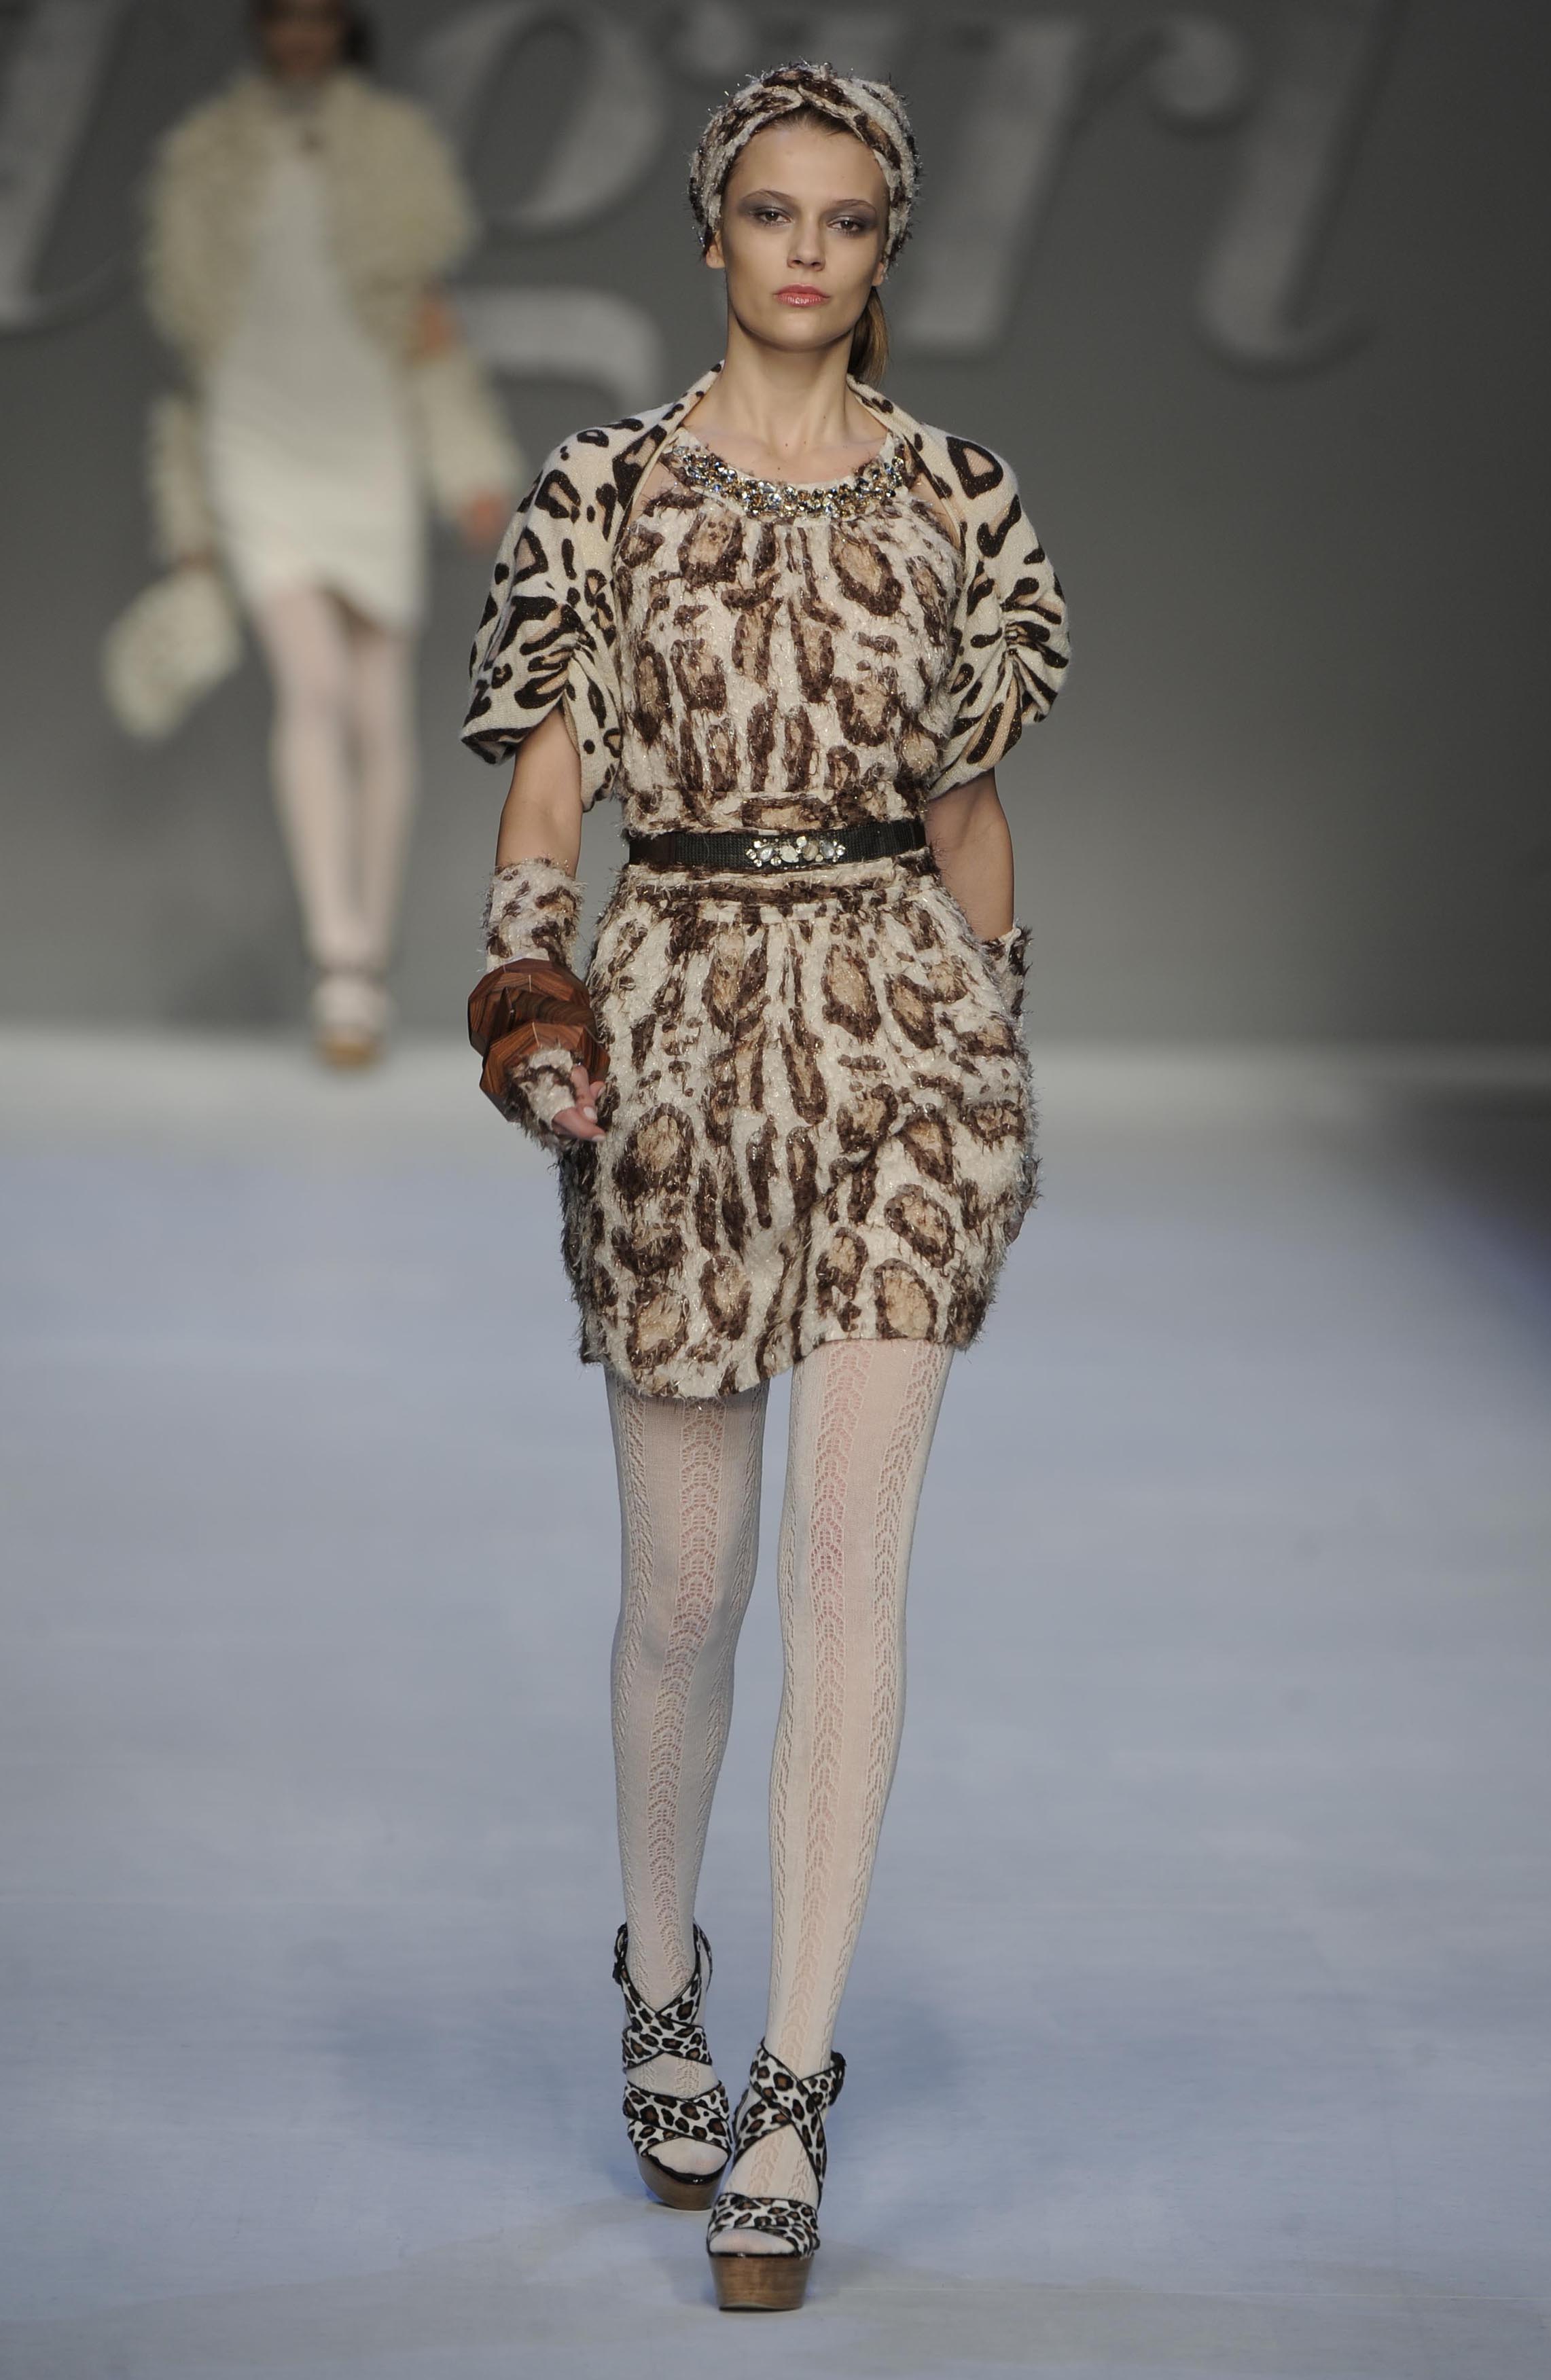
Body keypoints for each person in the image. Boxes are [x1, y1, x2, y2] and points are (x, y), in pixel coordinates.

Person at [463, 62, 1069, 2311]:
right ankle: (660, 1978)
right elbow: (549, 786)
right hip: (682, 1041)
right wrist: (529, 992)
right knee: (690, 1587)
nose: (805, 252)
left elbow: (970, 806)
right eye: (770, 213)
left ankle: (795, 2086)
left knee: (846, 1573)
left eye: (845, 220)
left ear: (883, 249)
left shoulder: (960, 499)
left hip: (904, 1037)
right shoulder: (605, 490)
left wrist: (995, 1035)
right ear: (711, 234)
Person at [141, 0, 521, 1064]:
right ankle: (340, 960)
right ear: (261, 27)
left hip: (364, 431)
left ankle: (368, 955)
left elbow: (425, 324)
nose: (299, 34)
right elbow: (188, 348)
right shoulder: (206, 152)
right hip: (252, 433)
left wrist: (466, 464)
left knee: (374, 707)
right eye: (283, 16)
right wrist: (187, 513)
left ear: (343, 26)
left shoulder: (393, 146)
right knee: (311, 690)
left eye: (316, 16)